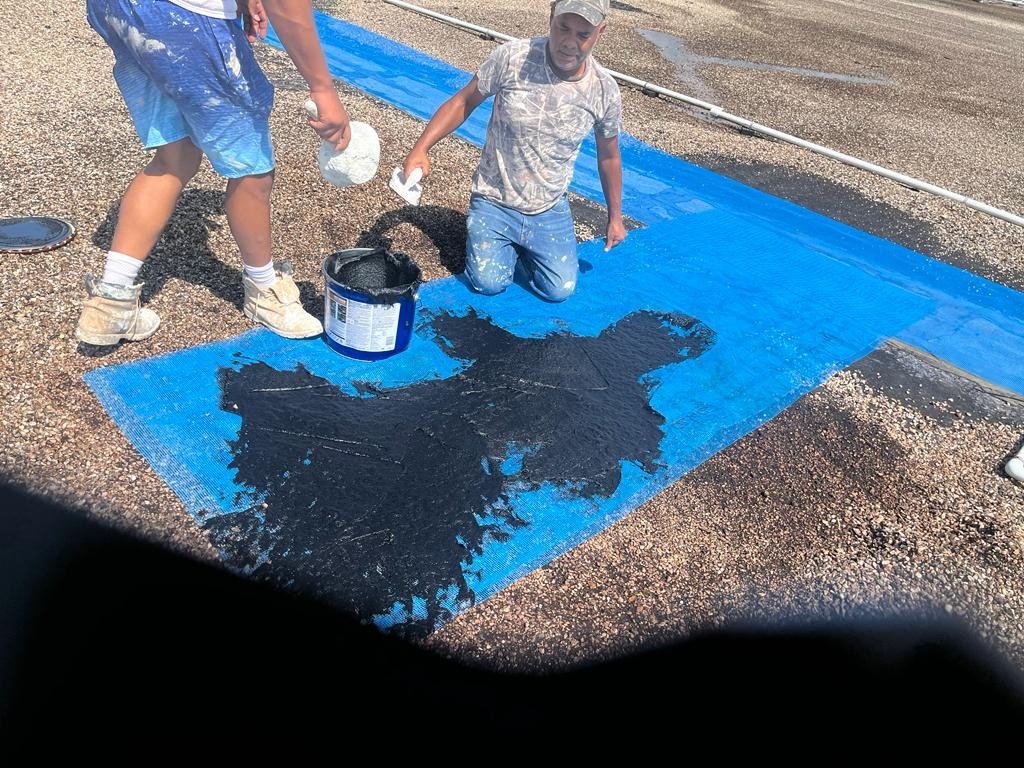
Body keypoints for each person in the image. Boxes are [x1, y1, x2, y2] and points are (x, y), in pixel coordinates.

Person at [76, 0, 350, 345]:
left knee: (174, 158)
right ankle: (264, 290)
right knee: (252, 170)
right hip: (183, 19)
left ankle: (111, 301)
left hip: (119, 9)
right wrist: (322, 88)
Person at [401, 0, 625, 303]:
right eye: (563, 28)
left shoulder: (604, 90)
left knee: (558, 290)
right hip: (494, 198)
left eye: (583, 34)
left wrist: (615, 217)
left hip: (548, 205)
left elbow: (609, 156)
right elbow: (463, 102)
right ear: (551, 16)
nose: (569, 42)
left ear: (600, 32)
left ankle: (523, 249)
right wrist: (421, 148)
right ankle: (499, 239)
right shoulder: (513, 57)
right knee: (488, 283)